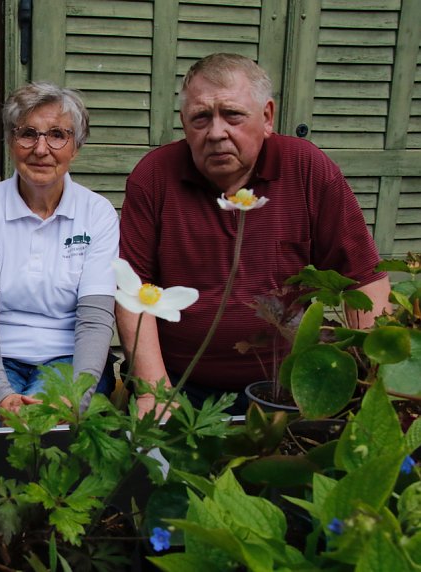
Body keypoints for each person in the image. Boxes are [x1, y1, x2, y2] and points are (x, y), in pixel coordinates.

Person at [118, 53, 391, 416]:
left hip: (291, 387)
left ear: (266, 117)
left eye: (232, 114)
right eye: (201, 117)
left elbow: (362, 279)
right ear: (184, 123)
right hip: (182, 385)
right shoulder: (154, 177)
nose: (216, 132)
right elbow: (131, 290)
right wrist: (154, 391)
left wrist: (376, 379)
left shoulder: (308, 169)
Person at [0, 82, 119, 428]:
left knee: (51, 428)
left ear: (76, 146)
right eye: (28, 134)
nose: (41, 149)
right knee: (0, 435)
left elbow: (95, 320)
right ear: (12, 142)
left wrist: (77, 397)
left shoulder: (98, 212)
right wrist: (1, 395)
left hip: (68, 358)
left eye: (57, 135)